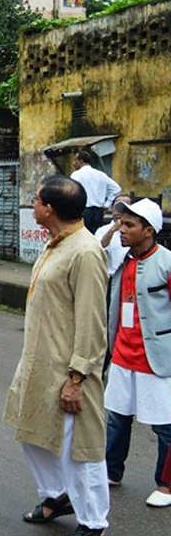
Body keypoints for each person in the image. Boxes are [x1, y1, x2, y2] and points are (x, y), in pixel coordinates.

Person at [4, 176, 109, 536]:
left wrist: (77, 378)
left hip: (68, 370)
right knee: (32, 435)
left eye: (35, 200)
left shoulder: (85, 251)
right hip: (39, 363)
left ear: (48, 208)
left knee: (77, 450)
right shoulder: (56, 243)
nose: (32, 205)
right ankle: (56, 496)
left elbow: (93, 320)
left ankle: (94, 523)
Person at [102, 198, 171, 508]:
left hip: (157, 360)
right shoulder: (124, 260)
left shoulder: (167, 262)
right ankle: (111, 471)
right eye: (121, 223)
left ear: (149, 229)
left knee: (165, 426)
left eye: (129, 225)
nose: (122, 229)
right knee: (117, 419)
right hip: (121, 356)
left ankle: (167, 484)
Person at [70, 150, 120, 234]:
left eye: (75, 160)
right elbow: (116, 188)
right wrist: (107, 204)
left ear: (81, 161)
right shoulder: (101, 174)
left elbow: (71, 192)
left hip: (83, 211)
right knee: (96, 236)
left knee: (83, 236)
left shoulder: (76, 175)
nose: (73, 163)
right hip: (98, 212)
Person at [94, 194, 132, 277]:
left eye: (123, 207)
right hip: (109, 277)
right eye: (117, 207)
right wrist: (112, 230)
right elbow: (99, 248)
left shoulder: (134, 231)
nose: (119, 211)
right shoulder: (102, 230)